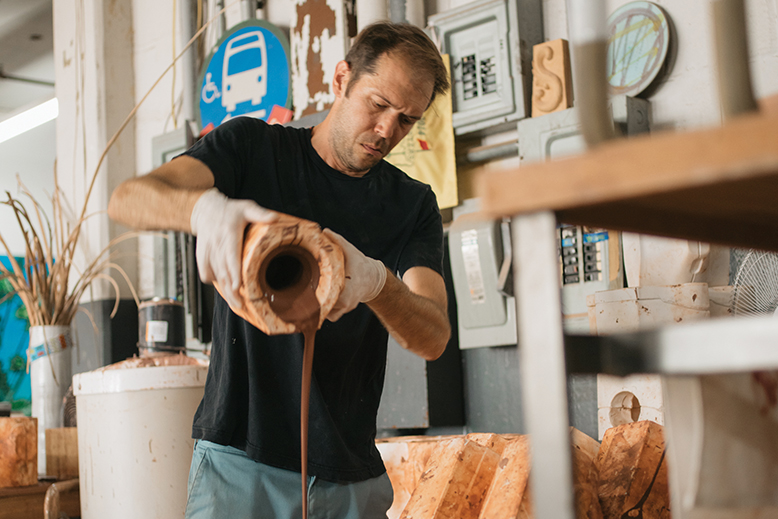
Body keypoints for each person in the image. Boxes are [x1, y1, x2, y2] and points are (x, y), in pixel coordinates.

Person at [108, 21, 451, 519]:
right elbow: (128, 199)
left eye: (406, 120)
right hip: (240, 464)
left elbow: (433, 335)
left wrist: (378, 283)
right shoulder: (252, 150)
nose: (386, 131)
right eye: (378, 105)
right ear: (341, 79)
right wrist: (205, 210)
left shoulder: (411, 205)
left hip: (350, 480)